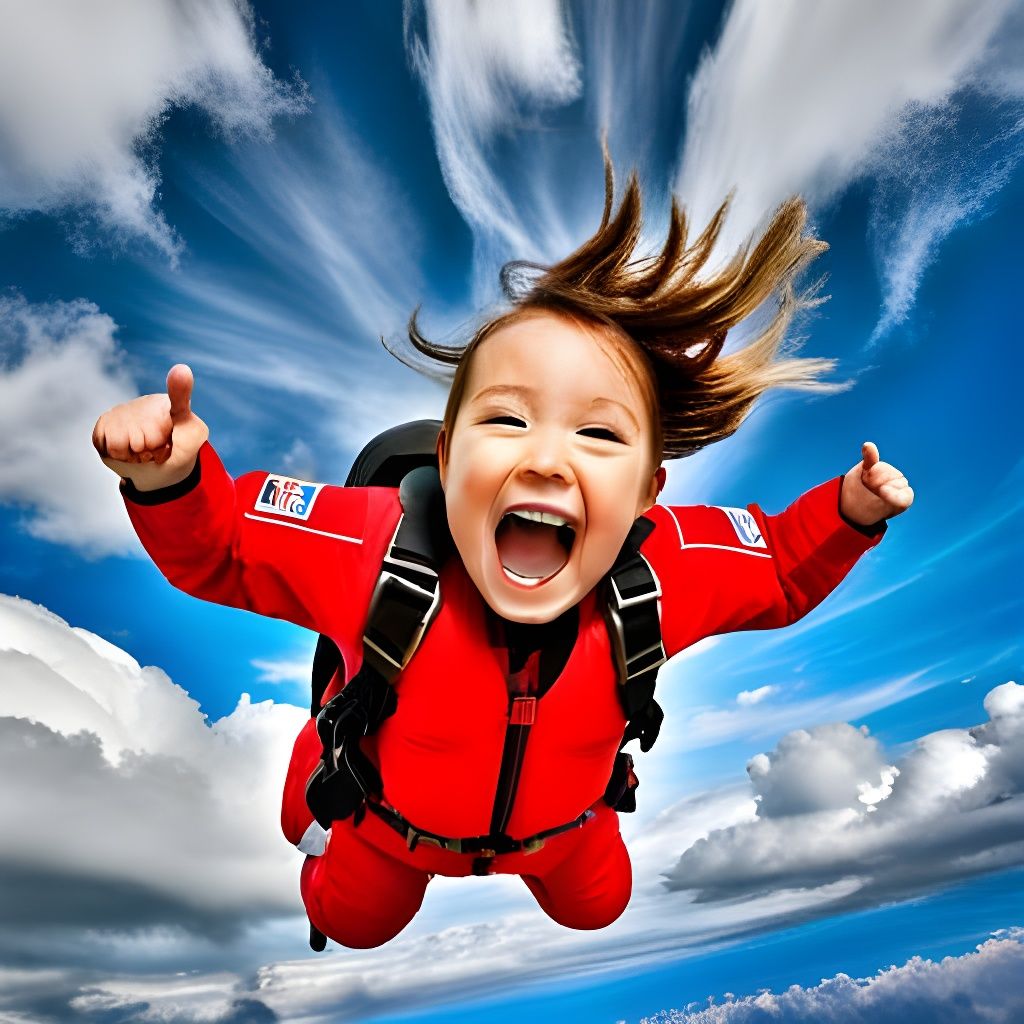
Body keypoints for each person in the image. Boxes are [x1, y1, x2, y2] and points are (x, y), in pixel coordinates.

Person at [92, 157, 913, 949]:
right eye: (508, 421)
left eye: (597, 434)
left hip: (561, 831)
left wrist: (845, 515)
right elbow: (230, 545)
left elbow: (772, 565)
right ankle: (318, 752)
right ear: (447, 463)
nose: (546, 460)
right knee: (351, 920)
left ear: (646, 493)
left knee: (602, 907)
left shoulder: (663, 570)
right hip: (388, 830)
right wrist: (172, 480)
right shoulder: (374, 547)